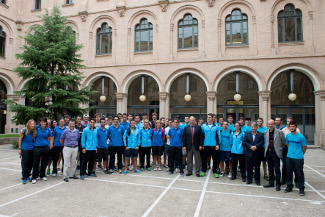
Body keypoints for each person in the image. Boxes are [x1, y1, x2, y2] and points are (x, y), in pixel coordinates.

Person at [284, 121, 307, 196]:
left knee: (299, 173)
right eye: (290, 126)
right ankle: (289, 186)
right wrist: (291, 153)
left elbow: (304, 147)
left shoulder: (301, 137)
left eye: (293, 126)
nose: (292, 128)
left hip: (298, 158)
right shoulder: (288, 136)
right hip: (289, 157)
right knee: (289, 173)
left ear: (296, 127)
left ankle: (301, 188)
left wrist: (300, 154)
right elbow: (287, 144)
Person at [263, 119, 286, 191]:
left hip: (276, 153)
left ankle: (278, 184)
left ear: (274, 125)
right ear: (267, 125)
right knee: (270, 169)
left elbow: (283, 142)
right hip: (268, 152)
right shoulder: (265, 132)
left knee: (277, 169)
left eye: (271, 124)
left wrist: (278, 149)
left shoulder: (279, 132)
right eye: (269, 124)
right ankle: (271, 183)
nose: (270, 125)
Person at [32, 117, 53, 184]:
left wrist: (50, 145)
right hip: (37, 147)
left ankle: (42, 175)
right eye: (42, 122)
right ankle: (34, 177)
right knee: (36, 162)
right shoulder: (36, 127)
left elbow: (50, 138)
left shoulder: (48, 129)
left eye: (44, 122)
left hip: (45, 147)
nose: (43, 123)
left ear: (46, 122)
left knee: (44, 162)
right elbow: (29, 128)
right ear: (40, 122)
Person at [281, 117, 301, 185]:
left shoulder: (298, 130)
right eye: (287, 121)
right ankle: (284, 180)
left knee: (295, 166)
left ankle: (297, 181)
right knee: (285, 165)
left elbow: (302, 144)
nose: (289, 122)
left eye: (290, 121)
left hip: (294, 149)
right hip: (286, 148)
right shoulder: (284, 130)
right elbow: (284, 140)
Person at [200, 113, 220, 178]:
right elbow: (202, 136)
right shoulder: (203, 126)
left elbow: (218, 136)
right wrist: (202, 144)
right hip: (205, 145)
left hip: (213, 145)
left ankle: (215, 172)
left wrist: (217, 144)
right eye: (208, 117)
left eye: (210, 117)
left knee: (215, 159)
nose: (209, 118)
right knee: (204, 159)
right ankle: (203, 171)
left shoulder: (216, 126)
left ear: (212, 118)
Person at [18, 119, 36, 184]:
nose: (32, 125)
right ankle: (24, 177)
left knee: (30, 163)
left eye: (33, 124)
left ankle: (28, 175)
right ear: (28, 124)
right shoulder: (24, 131)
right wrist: (19, 148)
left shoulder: (33, 131)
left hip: (32, 149)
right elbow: (20, 139)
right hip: (25, 149)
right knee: (25, 163)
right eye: (31, 124)